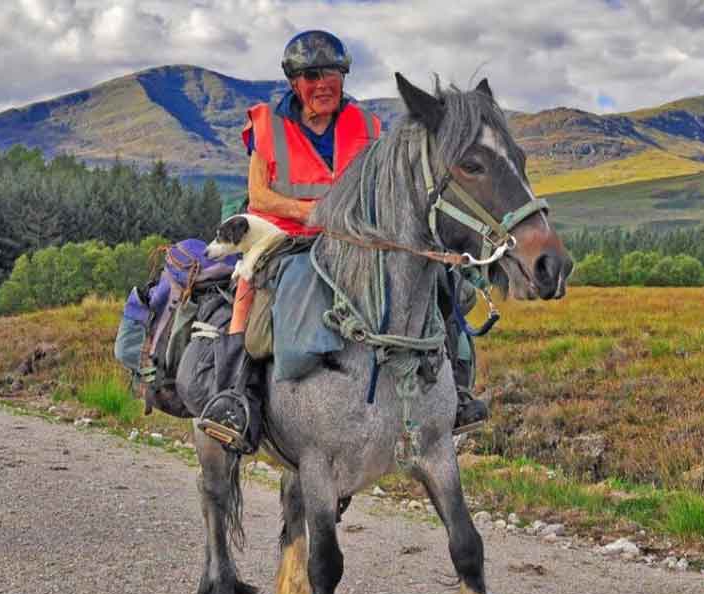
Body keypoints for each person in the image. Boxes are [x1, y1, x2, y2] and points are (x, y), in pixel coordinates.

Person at [197, 29, 487, 454]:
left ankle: (457, 393)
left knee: (444, 284)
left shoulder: (368, 125)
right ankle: (235, 400)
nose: (322, 84)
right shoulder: (267, 123)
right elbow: (259, 196)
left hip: (356, 239)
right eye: (311, 76)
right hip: (285, 236)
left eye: (331, 74)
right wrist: (314, 212)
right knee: (250, 295)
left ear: (343, 77)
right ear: (294, 83)